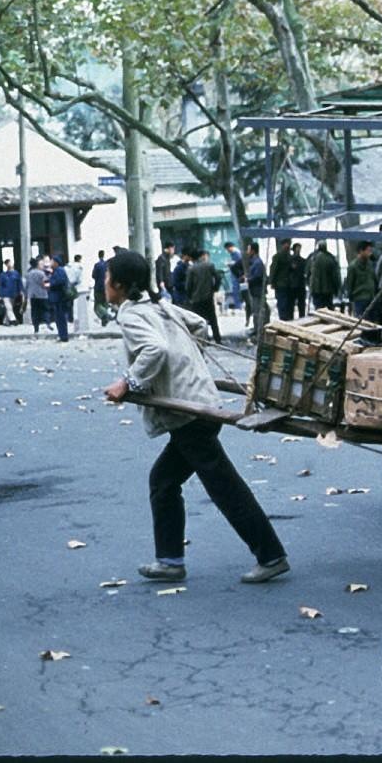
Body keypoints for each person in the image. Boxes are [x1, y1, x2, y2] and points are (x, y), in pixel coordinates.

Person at [101, 250, 289, 585]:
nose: (104, 283)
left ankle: (270, 555)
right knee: (164, 480)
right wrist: (189, 368)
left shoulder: (131, 316)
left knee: (223, 487)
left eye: (106, 278)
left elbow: (155, 349)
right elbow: (199, 326)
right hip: (201, 405)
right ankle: (170, 560)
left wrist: (127, 382)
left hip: (189, 414)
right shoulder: (159, 305)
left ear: (118, 284)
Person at [185, 250, 223, 345]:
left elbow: (188, 285)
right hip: (208, 296)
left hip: (196, 298)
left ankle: (204, 339)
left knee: (199, 320)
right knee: (212, 318)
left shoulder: (191, 268)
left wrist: (190, 295)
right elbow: (218, 277)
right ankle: (217, 338)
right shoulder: (209, 266)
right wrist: (215, 288)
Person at [344, 241, 377, 319]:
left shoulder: (370, 264)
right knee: (360, 321)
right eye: (368, 251)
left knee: (371, 322)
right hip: (359, 299)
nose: (370, 253)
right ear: (361, 251)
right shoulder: (353, 266)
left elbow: (374, 279)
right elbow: (350, 284)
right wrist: (350, 298)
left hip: (371, 298)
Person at [308, 240, 340, 312]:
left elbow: (307, 273)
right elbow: (335, 276)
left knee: (318, 309)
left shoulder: (312, 258)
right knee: (328, 310)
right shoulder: (330, 258)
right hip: (328, 290)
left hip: (315, 289)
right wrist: (336, 289)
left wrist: (310, 285)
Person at [269, 239, 296, 321]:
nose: (288, 246)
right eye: (287, 244)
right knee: (284, 302)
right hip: (282, 283)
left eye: (289, 244)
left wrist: (272, 282)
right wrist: (272, 282)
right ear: (283, 245)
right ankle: (285, 318)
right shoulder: (279, 256)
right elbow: (273, 270)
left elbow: (273, 270)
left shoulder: (288, 257)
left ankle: (285, 318)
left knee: (285, 302)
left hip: (284, 284)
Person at [47, 254, 72, 342]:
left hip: (60, 298)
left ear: (56, 263)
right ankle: (62, 335)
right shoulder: (56, 271)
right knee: (58, 318)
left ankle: (64, 336)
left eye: (52, 261)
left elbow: (60, 281)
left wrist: (50, 284)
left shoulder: (59, 270)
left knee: (61, 318)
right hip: (57, 297)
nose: (51, 263)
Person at [245, 242, 267, 332]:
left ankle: (258, 330)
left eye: (249, 250)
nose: (247, 252)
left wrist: (248, 280)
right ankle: (257, 328)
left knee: (257, 311)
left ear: (253, 251)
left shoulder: (257, 263)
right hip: (255, 290)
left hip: (257, 290)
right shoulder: (254, 262)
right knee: (256, 310)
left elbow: (257, 276)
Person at [25, 257, 49, 333]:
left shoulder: (28, 274)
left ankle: (36, 327)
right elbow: (45, 283)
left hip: (32, 295)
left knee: (35, 311)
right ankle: (47, 323)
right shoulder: (41, 273)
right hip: (42, 294)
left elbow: (27, 285)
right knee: (45, 309)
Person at [0, 259, 22, 326]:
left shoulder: (16, 273)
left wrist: (20, 291)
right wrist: (0, 295)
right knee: (9, 307)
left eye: (10, 263)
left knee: (10, 308)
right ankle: (13, 320)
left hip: (13, 293)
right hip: (5, 294)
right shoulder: (3, 275)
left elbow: (19, 283)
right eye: (7, 263)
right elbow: (0, 285)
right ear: (5, 265)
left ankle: (5, 321)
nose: (9, 265)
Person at [92, 251, 113, 326]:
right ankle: (104, 320)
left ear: (98, 256)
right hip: (107, 286)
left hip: (98, 287)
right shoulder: (107, 265)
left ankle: (105, 315)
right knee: (105, 304)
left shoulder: (97, 265)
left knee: (97, 305)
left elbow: (93, 275)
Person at [223, 241, 244, 315]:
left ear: (230, 247)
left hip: (236, 274)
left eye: (227, 249)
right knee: (236, 290)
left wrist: (229, 263)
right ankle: (238, 305)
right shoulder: (234, 253)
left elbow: (238, 263)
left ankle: (238, 306)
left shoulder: (236, 253)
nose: (227, 251)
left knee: (236, 290)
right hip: (235, 273)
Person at [289, 242, 308, 318]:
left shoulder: (303, 261)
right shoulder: (290, 260)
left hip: (300, 284)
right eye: (297, 248)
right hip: (292, 285)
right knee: (291, 305)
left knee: (301, 305)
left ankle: (302, 317)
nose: (299, 250)